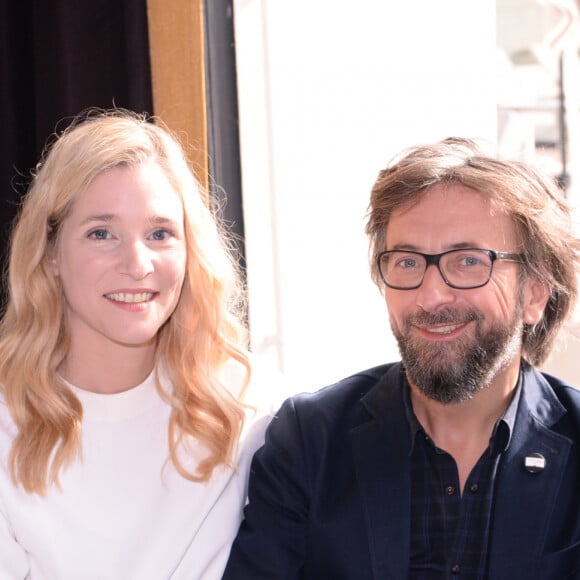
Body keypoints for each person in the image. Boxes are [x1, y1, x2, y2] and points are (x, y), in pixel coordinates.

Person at [222, 137, 580, 580]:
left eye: (469, 261)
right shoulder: (309, 442)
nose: (430, 297)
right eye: (407, 262)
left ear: (536, 294)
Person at [0, 109, 269, 579]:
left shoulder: (246, 404)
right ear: (51, 253)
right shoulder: (6, 418)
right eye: (101, 233)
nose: (138, 263)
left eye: (160, 233)